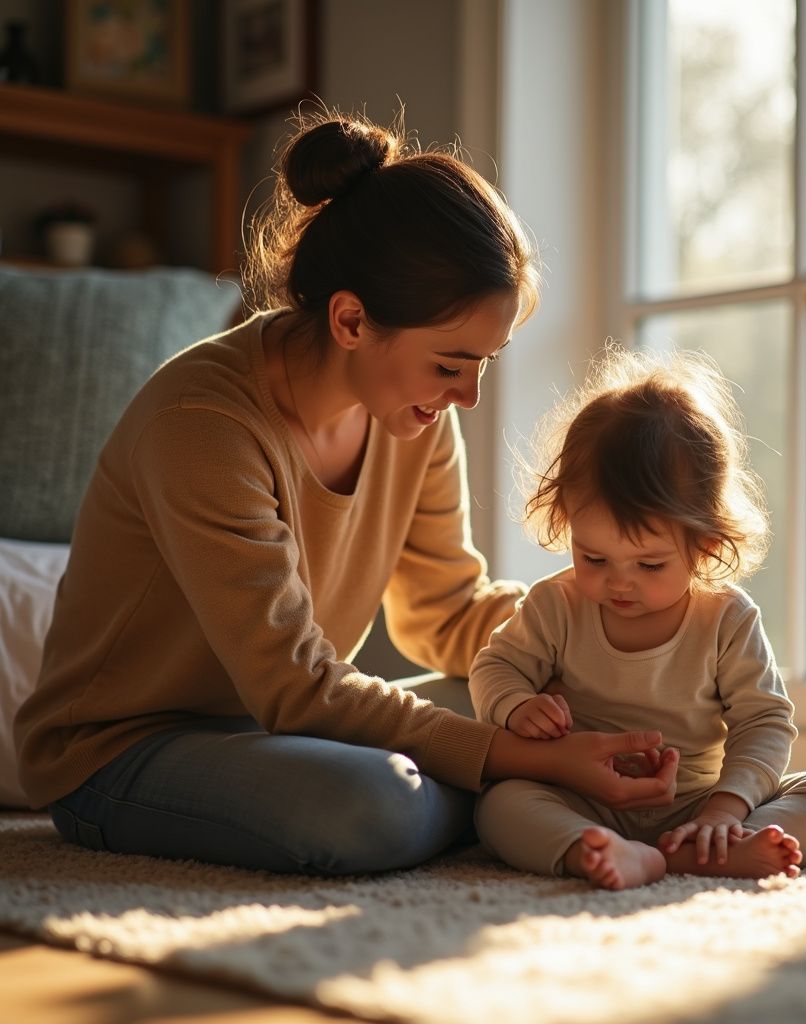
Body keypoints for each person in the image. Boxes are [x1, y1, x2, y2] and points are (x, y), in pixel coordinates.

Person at [13, 110, 679, 876]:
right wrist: (541, 757)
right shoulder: (202, 422)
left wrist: (601, 640)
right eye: (450, 363)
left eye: (485, 363)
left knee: (549, 693)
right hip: (123, 754)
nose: (468, 396)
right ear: (352, 320)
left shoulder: (415, 417)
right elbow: (295, 686)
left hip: (290, 736)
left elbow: (448, 612)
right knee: (375, 805)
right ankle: (529, 796)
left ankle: (521, 798)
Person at [469, 346, 806, 890]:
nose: (618, 581)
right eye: (593, 558)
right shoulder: (554, 605)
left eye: (649, 563)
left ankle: (704, 847)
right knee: (501, 808)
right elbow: (495, 666)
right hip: (586, 801)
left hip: (699, 803)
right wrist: (516, 705)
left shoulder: (726, 617)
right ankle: (601, 851)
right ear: (568, 526)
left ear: (705, 545)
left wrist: (725, 813)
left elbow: (764, 722)